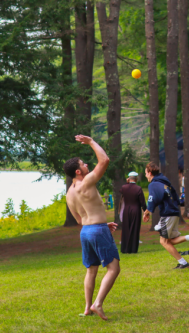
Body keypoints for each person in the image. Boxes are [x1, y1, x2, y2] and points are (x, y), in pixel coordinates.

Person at [64, 135, 120, 321]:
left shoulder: (69, 193)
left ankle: (87, 308)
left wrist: (101, 224)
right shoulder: (86, 183)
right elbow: (104, 160)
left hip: (86, 232)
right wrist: (91, 142)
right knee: (113, 268)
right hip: (97, 230)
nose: (87, 165)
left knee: (91, 270)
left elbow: (80, 220)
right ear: (78, 171)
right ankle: (97, 304)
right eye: (83, 164)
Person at [142, 162, 189, 269]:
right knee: (170, 240)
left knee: (163, 241)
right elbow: (174, 194)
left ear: (150, 173)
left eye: (146, 173)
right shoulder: (164, 181)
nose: (145, 175)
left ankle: (183, 263)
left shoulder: (153, 184)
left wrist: (147, 212)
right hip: (174, 212)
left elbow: (152, 199)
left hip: (167, 214)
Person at [118, 172, 146, 254]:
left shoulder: (124, 187)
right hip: (136, 210)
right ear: (136, 179)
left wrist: (127, 183)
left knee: (126, 229)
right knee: (134, 229)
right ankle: (133, 249)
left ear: (129, 178)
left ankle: (124, 249)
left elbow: (121, 191)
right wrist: (145, 211)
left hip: (126, 210)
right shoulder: (138, 188)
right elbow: (142, 202)